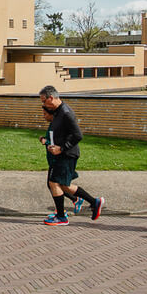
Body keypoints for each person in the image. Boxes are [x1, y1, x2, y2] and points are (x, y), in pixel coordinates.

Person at [38, 86, 102, 225]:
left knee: (54, 183)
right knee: (62, 185)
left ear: (51, 98)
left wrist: (61, 149)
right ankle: (94, 202)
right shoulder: (57, 111)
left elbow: (78, 135)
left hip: (67, 155)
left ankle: (61, 217)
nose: (43, 104)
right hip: (59, 155)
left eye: (44, 101)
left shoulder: (66, 113)